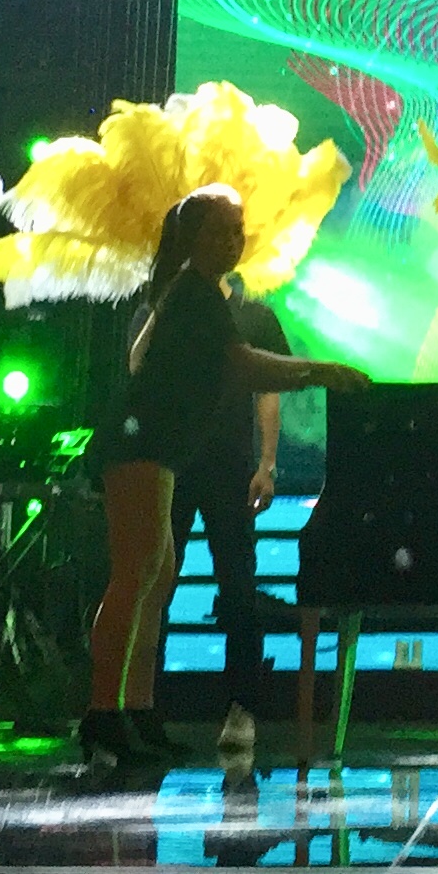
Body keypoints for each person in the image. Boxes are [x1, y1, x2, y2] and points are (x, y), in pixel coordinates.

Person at [83, 185, 370, 769]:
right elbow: (242, 365)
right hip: (140, 445)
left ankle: (136, 710)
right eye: (219, 231)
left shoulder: (189, 292)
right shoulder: (190, 291)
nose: (232, 242)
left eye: (238, 231)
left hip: (161, 449)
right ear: (192, 237)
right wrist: (320, 371)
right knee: (135, 578)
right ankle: (102, 713)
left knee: (154, 581)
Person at [155, 271, 291, 756]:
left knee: (238, 586)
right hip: (170, 466)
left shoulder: (254, 316)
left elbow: (269, 390)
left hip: (230, 467)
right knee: (156, 587)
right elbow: (138, 372)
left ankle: (242, 706)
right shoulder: (163, 310)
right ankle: (143, 708)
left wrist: (267, 463)